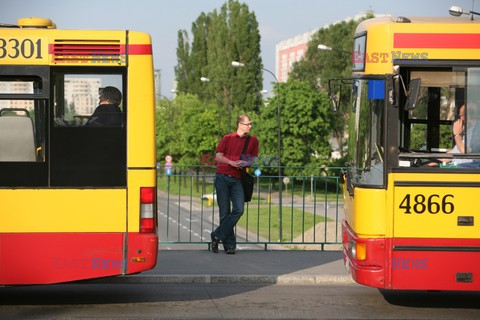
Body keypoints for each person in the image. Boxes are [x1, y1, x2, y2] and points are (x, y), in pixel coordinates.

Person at [210, 114, 259, 254]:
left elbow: (252, 160)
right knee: (224, 213)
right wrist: (231, 162)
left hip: (238, 178)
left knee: (239, 209)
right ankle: (229, 246)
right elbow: (218, 156)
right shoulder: (227, 138)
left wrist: (245, 163)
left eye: (250, 124)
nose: (250, 126)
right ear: (240, 124)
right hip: (222, 177)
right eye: (248, 124)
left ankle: (217, 235)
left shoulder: (253, 141)